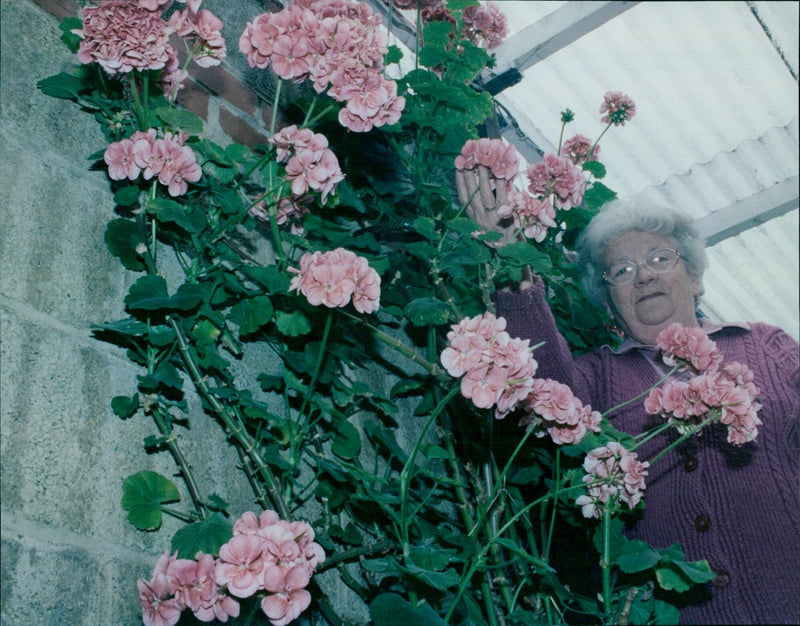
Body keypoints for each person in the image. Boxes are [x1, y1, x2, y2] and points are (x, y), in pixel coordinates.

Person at [458, 170, 800, 624]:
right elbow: (544, 385)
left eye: (661, 258)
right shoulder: (599, 377)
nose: (643, 277)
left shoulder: (766, 345)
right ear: (609, 302)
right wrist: (510, 265)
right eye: (622, 271)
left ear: (694, 277)